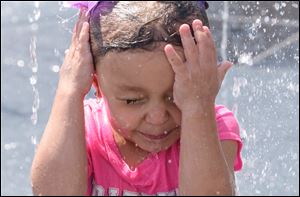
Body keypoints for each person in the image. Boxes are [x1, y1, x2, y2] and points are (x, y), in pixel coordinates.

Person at [31, 1, 243, 195]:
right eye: (132, 100)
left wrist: (198, 107)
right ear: (97, 86)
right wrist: (69, 90)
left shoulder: (213, 126)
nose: (157, 117)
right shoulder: (83, 127)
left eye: (176, 96)